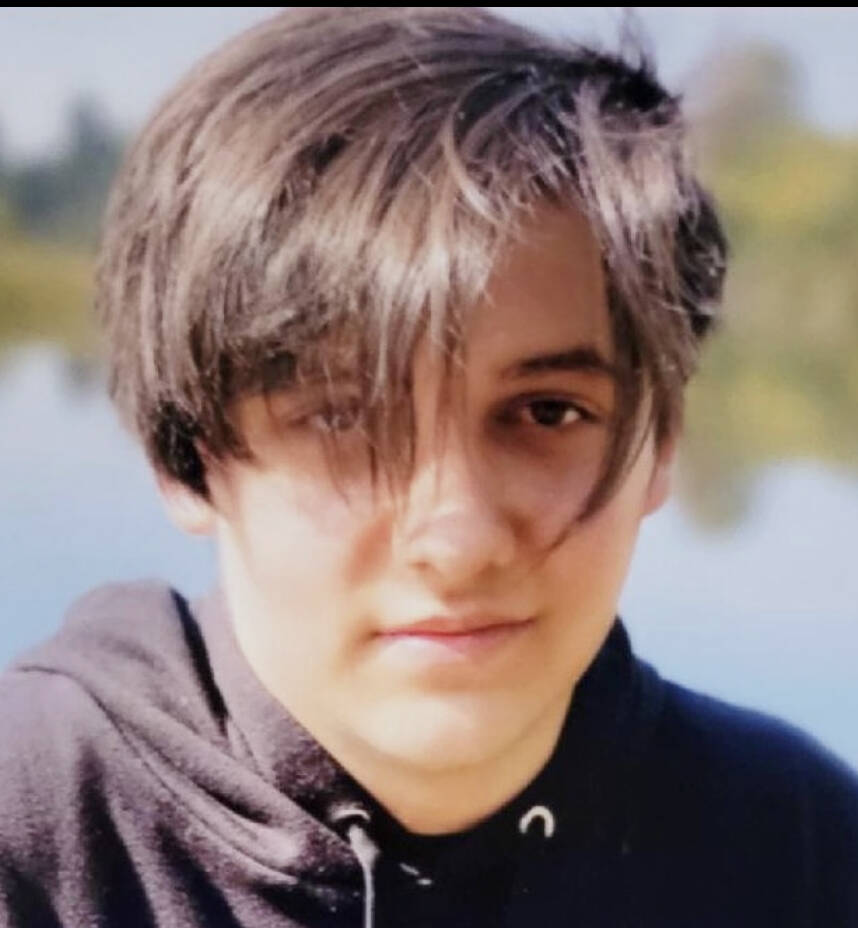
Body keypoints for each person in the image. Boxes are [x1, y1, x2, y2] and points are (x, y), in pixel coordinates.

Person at [1, 8, 856, 927]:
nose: (458, 543)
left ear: (662, 443)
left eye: (548, 412)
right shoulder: (29, 837)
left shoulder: (795, 845)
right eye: (342, 417)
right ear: (187, 457)